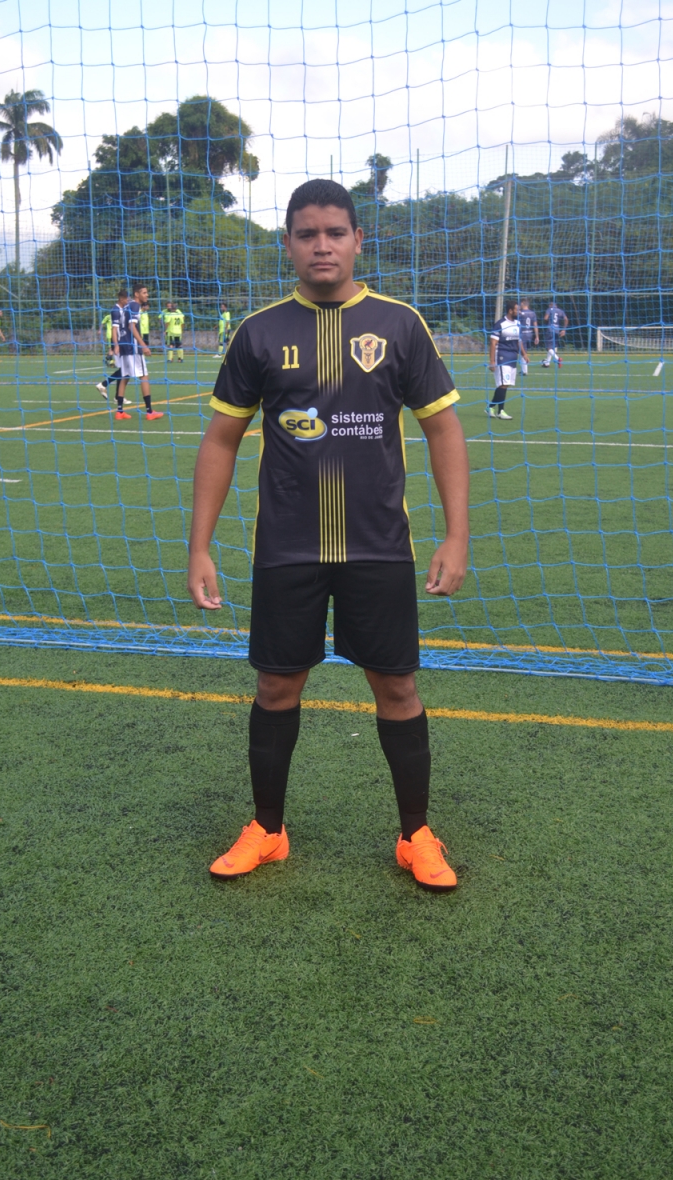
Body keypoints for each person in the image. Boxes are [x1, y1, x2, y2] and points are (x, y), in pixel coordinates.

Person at [188, 178, 470, 891]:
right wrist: (199, 546)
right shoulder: (259, 333)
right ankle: (268, 830)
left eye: (335, 232)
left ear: (356, 241)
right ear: (287, 243)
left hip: (379, 545)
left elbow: (442, 428)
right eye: (307, 234)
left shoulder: (399, 324)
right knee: (276, 685)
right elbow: (221, 440)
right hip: (288, 546)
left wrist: (456, 535)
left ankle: (416, 836)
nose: (322, 245)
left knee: (397, 687)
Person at [111, 283, 163, 421]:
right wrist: (143, 345)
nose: (147, 295)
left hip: (124, 345)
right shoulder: (134, 306)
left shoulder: (126, 306)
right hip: (132, 347)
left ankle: (119, 411)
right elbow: (131, 326)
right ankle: (149, 411)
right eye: (144, 293)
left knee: (125, 377)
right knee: (144, 376)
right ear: (136, 294)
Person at [487, 300, 527, 420]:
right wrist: (492, 361)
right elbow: (493, 343)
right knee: (503, 383)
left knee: (506, 384)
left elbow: (519, 341)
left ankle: (490, 407)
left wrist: (524, 354)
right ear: (510, 311)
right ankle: (501, 411)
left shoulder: (517, 324)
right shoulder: (500, 324)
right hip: (502, 357)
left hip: (512, 358)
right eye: (517, 310)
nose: (519, 312)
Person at [96, 291, 127, 399]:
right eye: (126, 299)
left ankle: (117, 396)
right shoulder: (116, 310)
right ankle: (104, 385)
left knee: (124, 371)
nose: (127, 301)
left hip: (122, 342)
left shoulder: (122, 309)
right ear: (121, 299)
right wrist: (116, 345)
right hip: (118, 343)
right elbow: (114, 329)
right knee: (125, 371)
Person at [542, 299, 568, 367]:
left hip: (550, 330)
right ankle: (547, 363)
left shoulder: (549, 309)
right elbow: (566, 319)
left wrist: (547, 322)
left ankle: (558, 359)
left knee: (548, 347)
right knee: (552, 347)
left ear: (550, 305)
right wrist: (564, 330)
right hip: (557, 330)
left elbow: (545, 318)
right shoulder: (560, 311)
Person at [518, 299, 538, 375]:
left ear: (523, 304)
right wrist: (537, 336)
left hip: (522, 334)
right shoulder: (532, 313)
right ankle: (524, 369)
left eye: (520, 304)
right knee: (524, 351)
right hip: (530, 334)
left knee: (522, 351)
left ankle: (524, 371)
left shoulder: (520, 313)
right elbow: (535, 325)